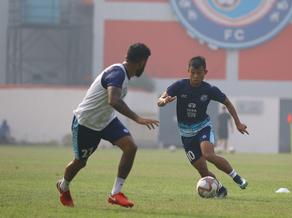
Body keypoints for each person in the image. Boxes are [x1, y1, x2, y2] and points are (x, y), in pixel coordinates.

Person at [56, 43, 159, 208]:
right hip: (86, 123)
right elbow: (113, 100)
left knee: (130, 147)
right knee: (80, 162)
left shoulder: (123, 74)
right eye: (145, 62)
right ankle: (63, 186)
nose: (145, 66)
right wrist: (137, 118)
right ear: (141, 61)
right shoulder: (117, 73)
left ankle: (115, 194)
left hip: (106, 121)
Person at [157, 56, 249, 198]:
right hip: (186, 134)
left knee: (208, 154)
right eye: (192, 72)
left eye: (199, 73)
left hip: (202, 127)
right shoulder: (179, 85)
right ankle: (220, 189)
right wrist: (164, 101)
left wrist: (238, 123)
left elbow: (228, 103)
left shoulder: (209, 89)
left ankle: (237, 177)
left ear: (205, 72)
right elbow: (160, 100)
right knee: (203, 172)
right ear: (188, 71)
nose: (195, 76)